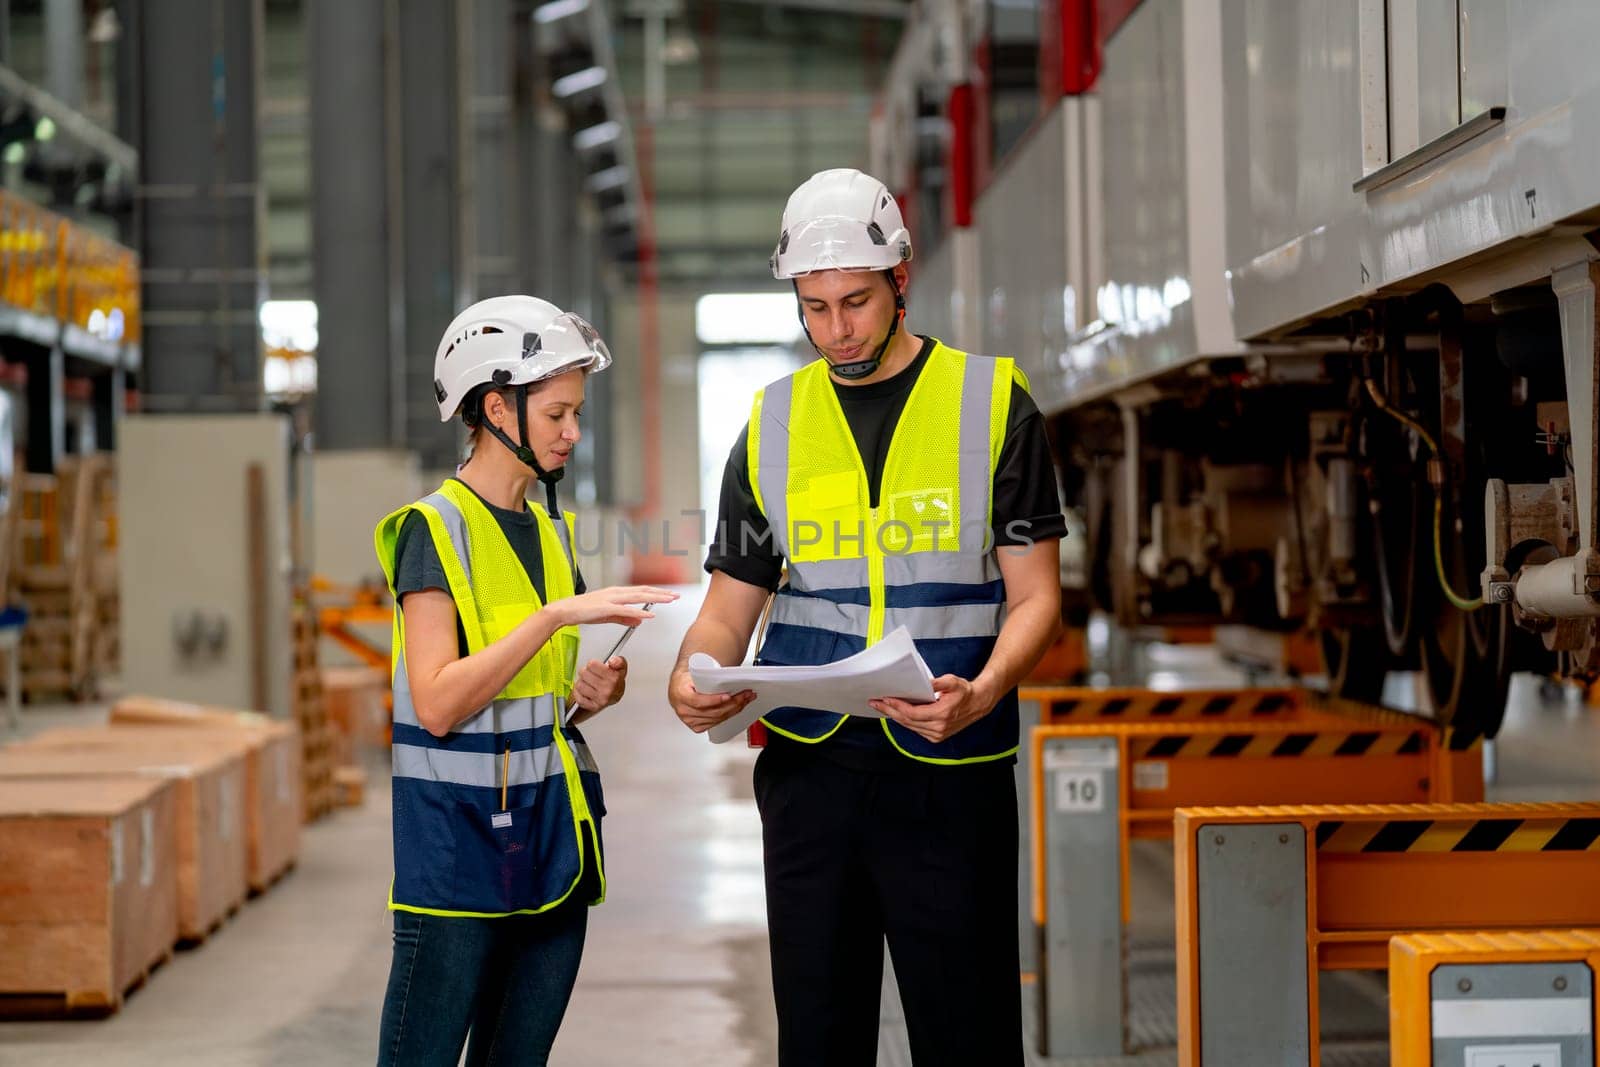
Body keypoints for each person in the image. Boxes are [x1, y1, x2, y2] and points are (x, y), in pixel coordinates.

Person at [667, 168, 1066, 1065]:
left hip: (950, 766)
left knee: (967, 1039)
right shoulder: (770, 425)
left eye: (853, 302)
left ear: (901, 278)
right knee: (818, 1038)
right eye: (813, 307)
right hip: (811, 776)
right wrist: (695, 671)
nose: (834, 330)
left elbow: (1038, 596)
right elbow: (731, 604)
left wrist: (987, 687)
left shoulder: (994, 403)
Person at [373, 295, 677, 1066]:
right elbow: (440, 701)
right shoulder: (431, 531)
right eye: (557, 415)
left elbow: (529, 707)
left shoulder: (548, 532)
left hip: (548, 850)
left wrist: (586, 698)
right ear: (497, 406)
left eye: (576, 413)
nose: (573, 433)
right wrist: (552, 618)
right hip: (454, 860)